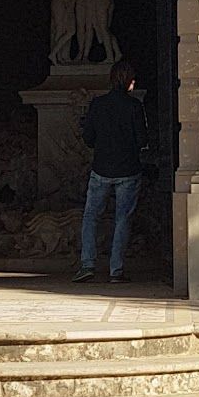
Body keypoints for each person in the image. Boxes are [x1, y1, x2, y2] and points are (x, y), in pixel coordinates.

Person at [75, 59, 148, 283]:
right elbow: (142, 139)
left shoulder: (98, 104)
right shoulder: (134, 106)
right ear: (128, 81)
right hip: (128, 169)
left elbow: (88, 138)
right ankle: (116, 270)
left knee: (91, 217)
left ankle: (87, 264)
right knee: (122, 219)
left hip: (101, 168)